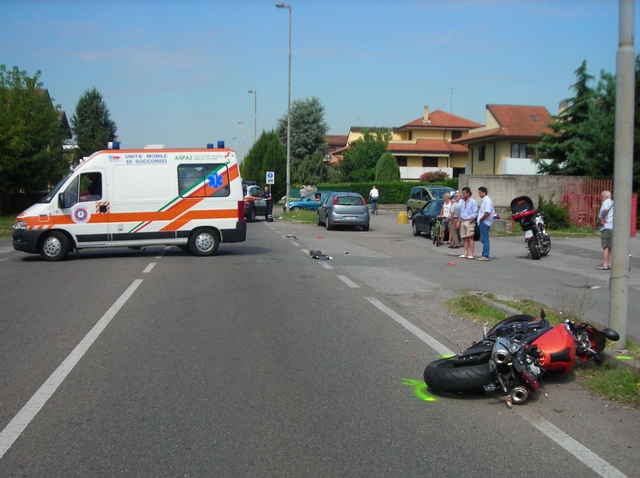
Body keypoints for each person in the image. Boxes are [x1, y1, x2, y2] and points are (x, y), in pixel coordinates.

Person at [456, 187, 478, 260]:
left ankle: (471, 253)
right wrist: (459, 221)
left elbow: (475, 212)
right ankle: (465, 253)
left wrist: (471, 220)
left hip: (469, 221)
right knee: (464, 238)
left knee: (470, 237)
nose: (463, 195)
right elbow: (460, 212)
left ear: (468, 193)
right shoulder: (462, 201)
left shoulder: (473, 201)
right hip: (463, 220)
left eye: (464, 193)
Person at [476, 186, 495, 261]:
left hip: (485, 222)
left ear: (484, 192)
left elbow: (487, 212)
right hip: (483, 222)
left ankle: (485, 255)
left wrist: (481, 219)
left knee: (485, 239)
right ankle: (484, 254)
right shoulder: (485, 200)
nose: (479, 194)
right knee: (483, 239)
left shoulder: (487, 201)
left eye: (480, 192)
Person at [597, 190, 613, 270]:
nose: (600, 198)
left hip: (606, 226)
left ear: (606, 197)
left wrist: (602, 218)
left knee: (605, 246)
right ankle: (610, 263)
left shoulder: (606, 202)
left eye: (602, 196)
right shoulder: (612, 203)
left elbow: (606, 210)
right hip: (612, 226)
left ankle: (605, 264)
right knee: (610, 246)